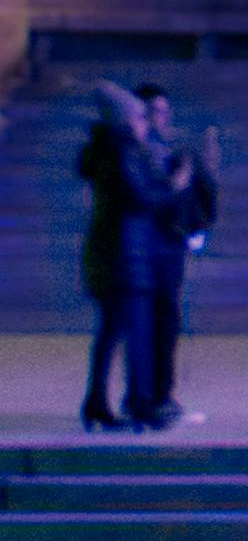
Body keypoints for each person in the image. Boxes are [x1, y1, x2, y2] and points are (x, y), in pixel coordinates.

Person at [73, 83, 180, 432]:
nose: (143, 121)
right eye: (137, 115)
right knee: (136, 335)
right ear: (124, 119)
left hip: (114, 253)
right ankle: (140, 405)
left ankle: (96, 403)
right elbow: (140, 198)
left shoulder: (108, 151)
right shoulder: (122, 152)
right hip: (125, 257)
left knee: (111, 332)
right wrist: (173, 185)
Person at [133, 84, 218, 428]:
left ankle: (159, 395)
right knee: (154, 328)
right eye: (155, 112)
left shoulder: (165, 153)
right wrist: (177, 184)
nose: (162, 120)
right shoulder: (139, 156)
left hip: (169, 252)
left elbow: (192, 205)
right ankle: (153, 397)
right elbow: (156, 202)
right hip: (151, 256)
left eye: (166, 113)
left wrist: (206, 171)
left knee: (164, 327)